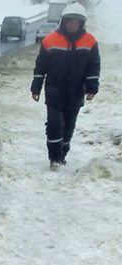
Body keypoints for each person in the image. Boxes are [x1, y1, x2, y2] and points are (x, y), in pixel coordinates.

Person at [30, 3, 100, 169]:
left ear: (82, 24)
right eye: (70, 21)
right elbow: (41, 66)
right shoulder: (50, 40)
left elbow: (94, 66)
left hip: (76, 92)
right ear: (64, 21)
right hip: (54, 91)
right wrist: (36, 88)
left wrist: (92, 88)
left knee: (68, 126)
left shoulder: (90, 41)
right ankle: (54, 157)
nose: (73, 25)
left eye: (77, 22)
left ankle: (62, 153)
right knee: (55, 124)